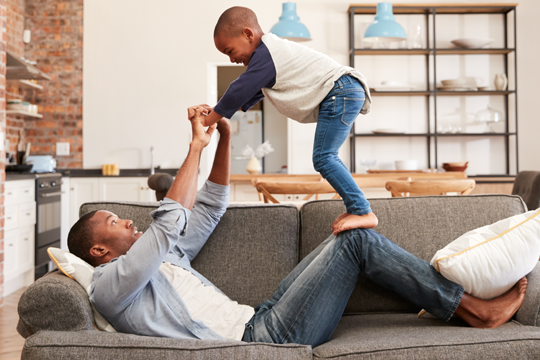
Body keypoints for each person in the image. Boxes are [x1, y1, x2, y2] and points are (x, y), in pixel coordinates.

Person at [68, 106, 527, 348]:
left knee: (350, 235)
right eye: (114, 221)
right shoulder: (113, 284)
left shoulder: (163, 257)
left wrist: (226, 138)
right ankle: (472, 309)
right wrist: (195, 145)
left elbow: (209, 206)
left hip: (261, 315)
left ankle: (450, 303)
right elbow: (168, 223)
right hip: (263, 340)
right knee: (357, 240)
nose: (127, 219)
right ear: (100, 253)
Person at [189, 6, 377, 235]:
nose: (231, 59)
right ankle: (356, 208)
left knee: (324, 158)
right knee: (325, 157)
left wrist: (208, 120)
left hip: (341, 90)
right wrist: (215, 111)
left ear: (248, 34)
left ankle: (362, 210)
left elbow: (239, 89)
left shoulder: (268, 52)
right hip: (343, 91)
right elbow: (252, 93)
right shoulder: (268, 59)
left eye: (230, 50)